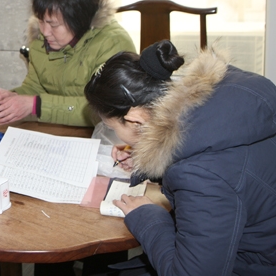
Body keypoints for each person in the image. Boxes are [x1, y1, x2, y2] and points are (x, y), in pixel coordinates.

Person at [84, 40, 276, 275]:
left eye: (111, 127)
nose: (114, 133)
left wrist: (147, 217)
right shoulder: (223, 99)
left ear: (135, 119)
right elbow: (222, 160)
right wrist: (152, 155)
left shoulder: (200, 175)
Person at [0, 0, 135, 127]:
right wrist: (12, 98)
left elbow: (104, 111)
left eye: (54, 24)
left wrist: (36, 105)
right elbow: (35, 87)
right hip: (60, 132)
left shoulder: (112, 43)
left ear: (78, 20)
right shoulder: (40, 40)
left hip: (102, 137)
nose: (45, 32)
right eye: (41, 21)